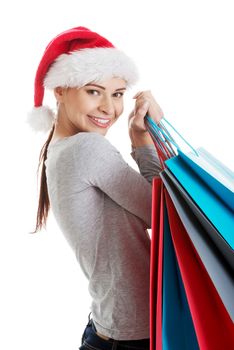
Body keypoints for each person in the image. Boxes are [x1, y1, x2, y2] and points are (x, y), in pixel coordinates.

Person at [27, 26, 164, 350]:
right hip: (133, 337)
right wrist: (148, 139)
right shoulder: (86, 149)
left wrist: (139, 138)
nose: (108, 107)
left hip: (113, 329)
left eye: (117, 94)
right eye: (93, 91)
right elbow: (165, 213)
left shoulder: (61, 150)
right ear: (59, 90)